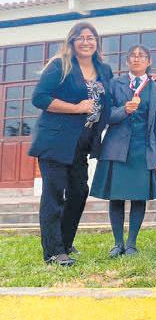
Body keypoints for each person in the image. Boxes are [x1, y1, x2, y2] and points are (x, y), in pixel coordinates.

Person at [28, 22, 113, 266]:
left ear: (97, 42)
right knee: (54, 194)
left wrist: (146, 81)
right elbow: (39, 98)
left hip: (82, 143)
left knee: (79, 192)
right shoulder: (60, 65)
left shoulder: (104, 69)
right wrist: (75, 108)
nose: (86, 42)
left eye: (91, 37)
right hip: (55, 141)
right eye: (80, 37)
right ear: (72, 41)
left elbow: (113, 96)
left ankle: (64, 243)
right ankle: (54, 252)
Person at [90, 45, 156, 256]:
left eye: (141, 56)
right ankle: (118, 243)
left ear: (149, 61)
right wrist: (123, 110)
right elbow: (104, 116)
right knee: (116, 197)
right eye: (132, 56)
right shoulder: (114, 84)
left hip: (143, 148)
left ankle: (132, 243)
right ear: (126, 62)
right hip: (116, 147)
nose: (136, 59)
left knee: (138, 197)